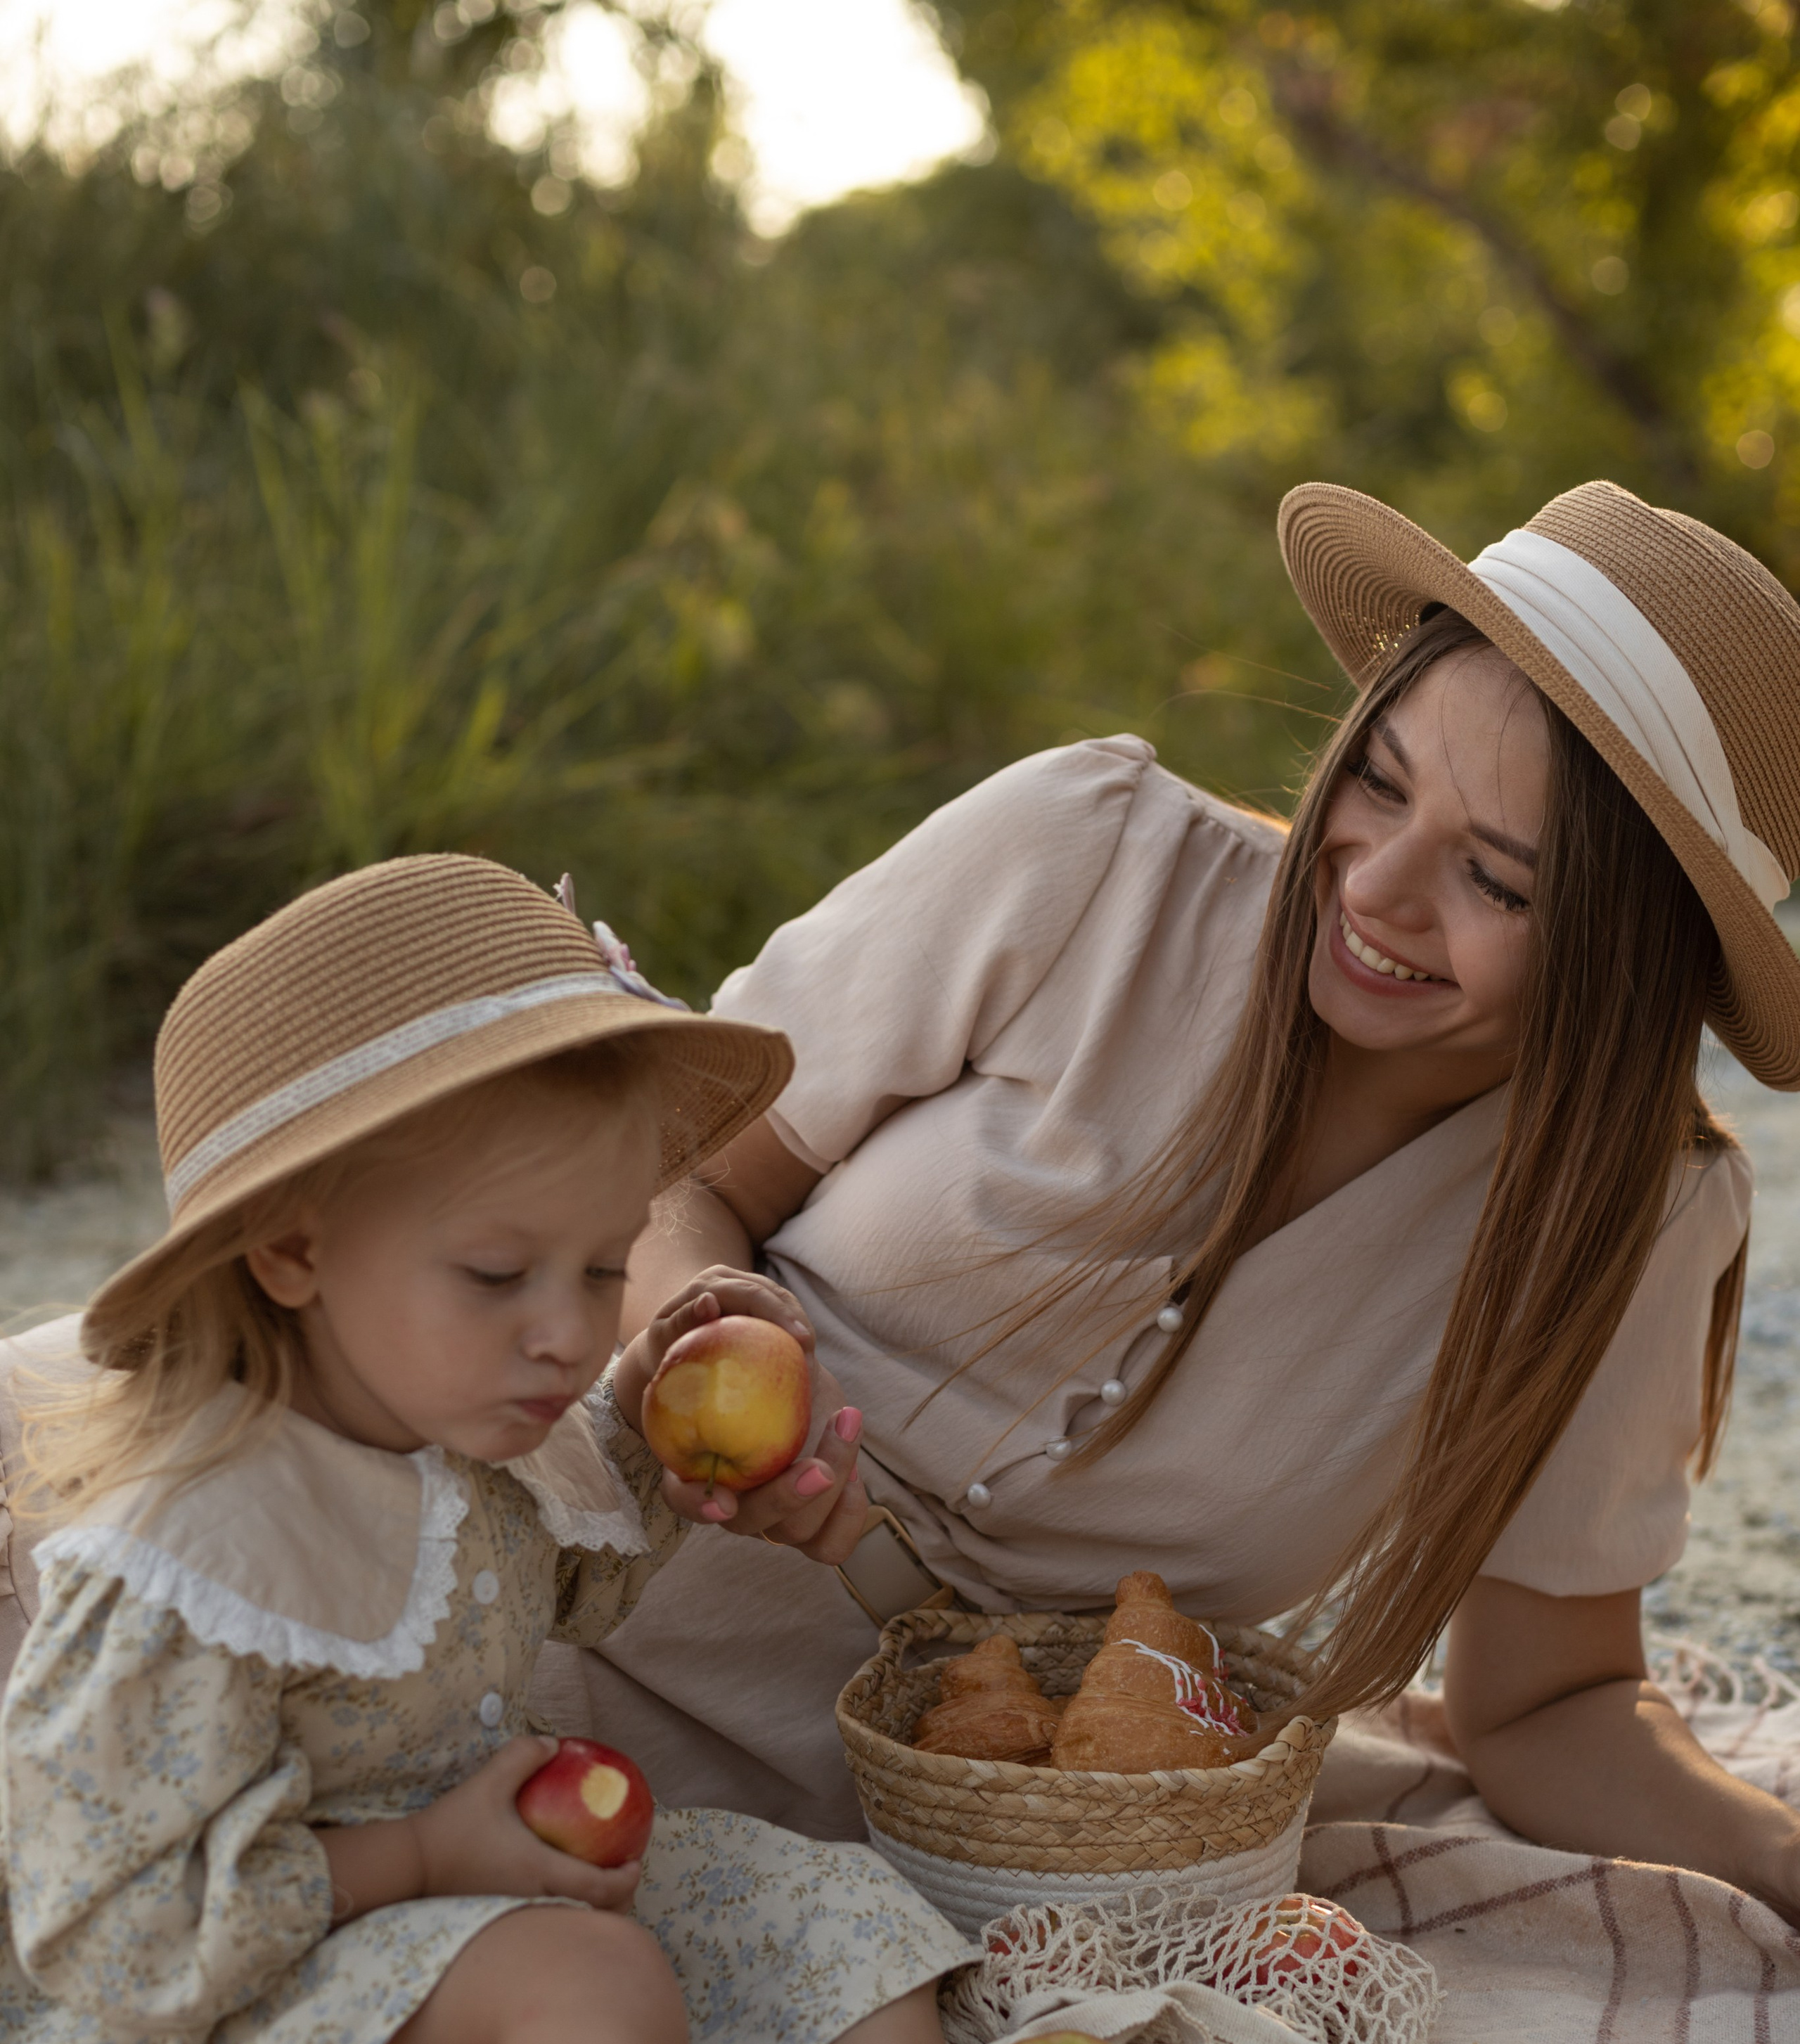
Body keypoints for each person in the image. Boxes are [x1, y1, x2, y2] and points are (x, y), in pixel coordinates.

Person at [0, 857, 1140, 2044]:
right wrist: (421, 1862)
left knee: (781, 1887)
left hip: (414, 1933)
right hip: (184, 2037)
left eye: (601, 1271)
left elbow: (548, 1579)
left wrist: (682, 1450)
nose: (562, 1337)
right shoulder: (200, 1552)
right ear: (294, 1251)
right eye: (497, 1275)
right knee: (575, 1978)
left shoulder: (444, 1427)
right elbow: (107, 1930)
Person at [552, 479, 1800, 1925]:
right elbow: (682, 1175)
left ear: (1630, 952)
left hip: (940, 1871)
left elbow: (1548, 1705)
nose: (1376, 889)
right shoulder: (1086, 856)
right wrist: (703, 1317)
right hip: (527, 1610)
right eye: (1379, 781)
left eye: (1497, 883)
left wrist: (1781, 1862)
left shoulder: (1631, 1225)